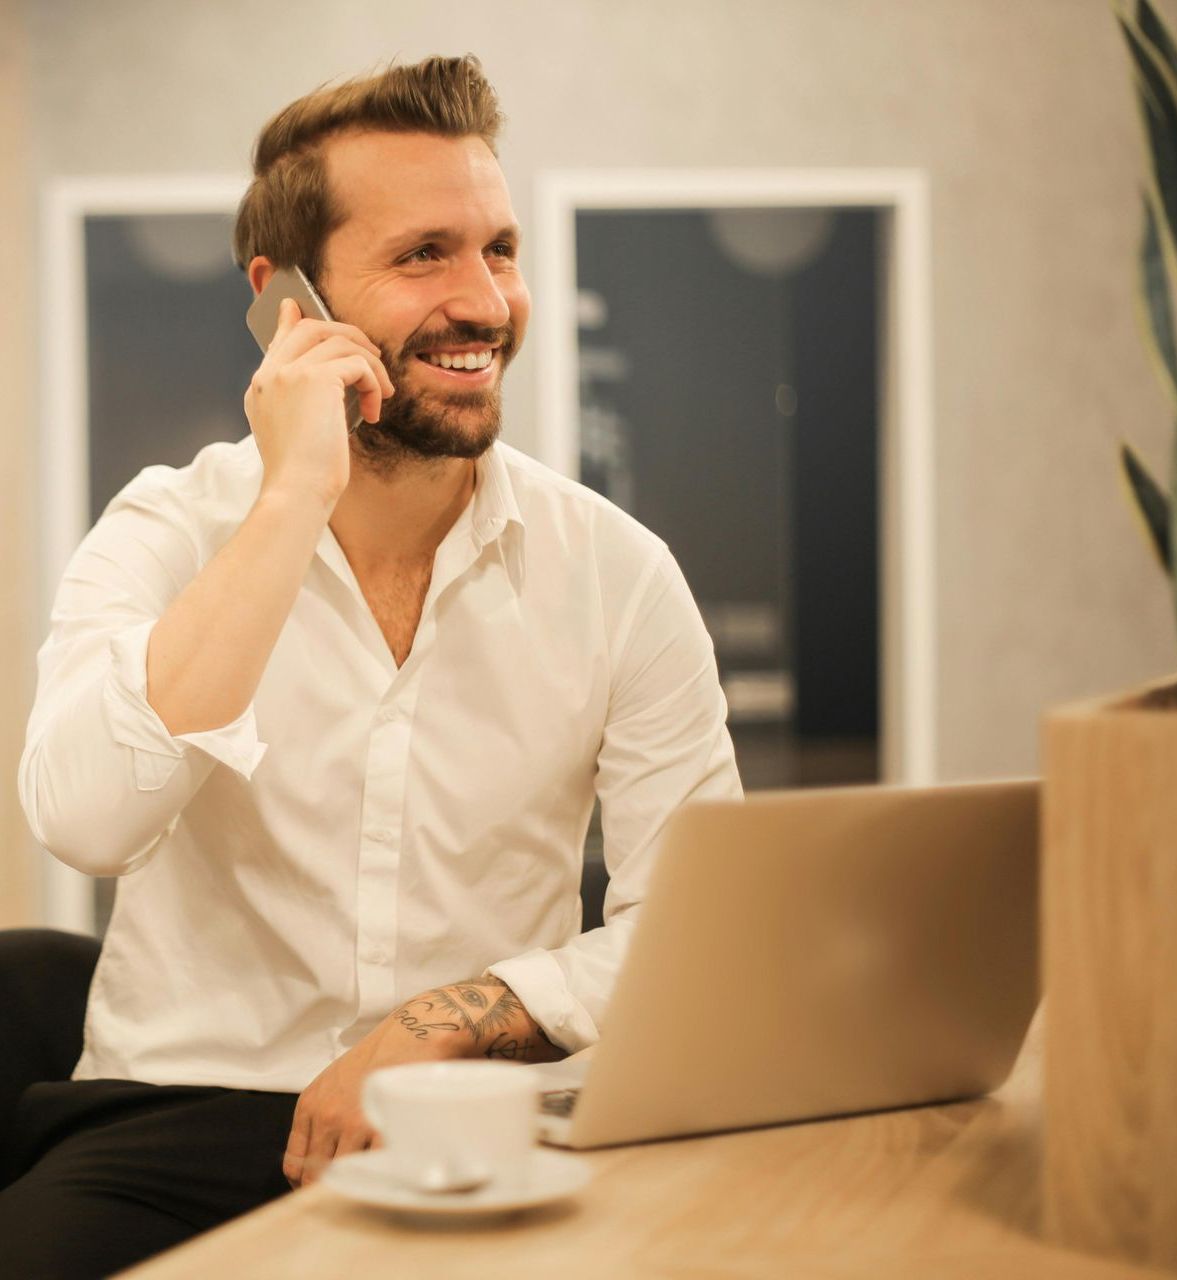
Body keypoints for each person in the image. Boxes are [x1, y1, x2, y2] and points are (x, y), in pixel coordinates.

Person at [3, 53, 740, 1277]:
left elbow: (689, 932)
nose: (485, 301)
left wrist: (442, 1023)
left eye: (497, 250)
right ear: (286, 298)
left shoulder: (619, 573)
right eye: (423, 256)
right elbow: (83, 818)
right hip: (172, 1121)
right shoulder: (167, 528)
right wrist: (293, 493)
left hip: (482, 1118)